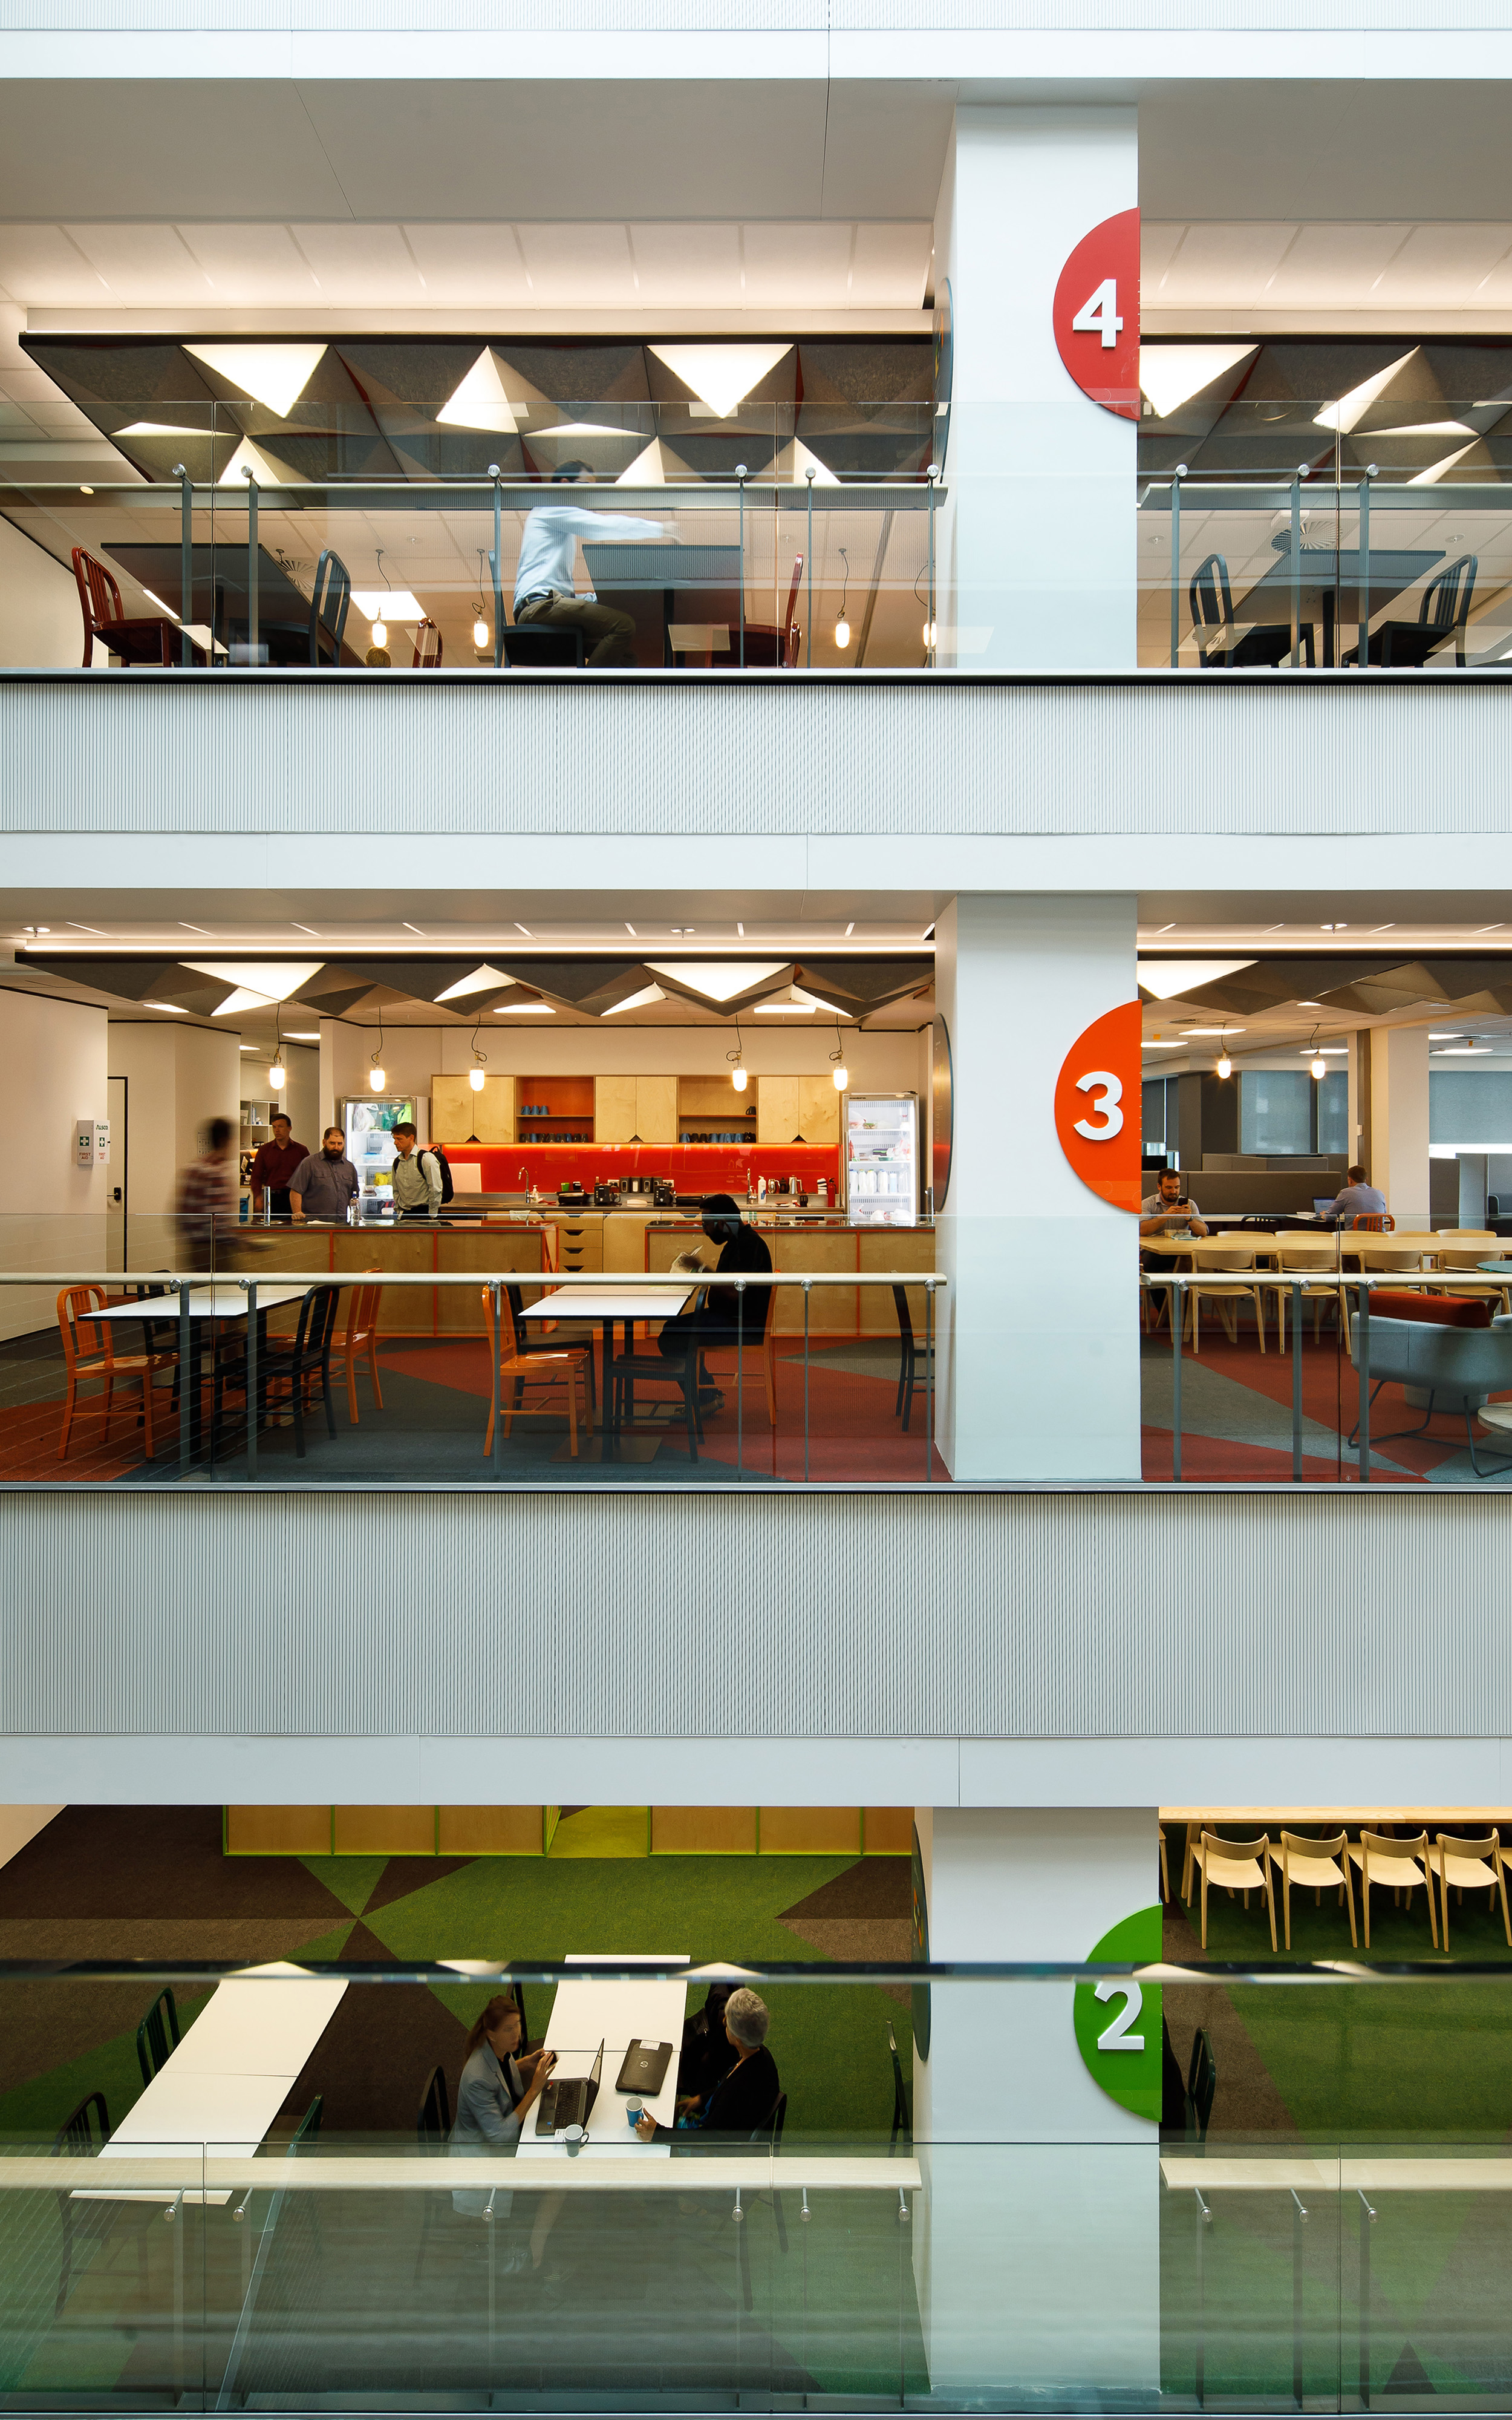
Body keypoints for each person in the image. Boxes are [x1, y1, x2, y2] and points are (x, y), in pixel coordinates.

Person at [512, 462, 669, 669]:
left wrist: (599, 598)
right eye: (586, 487)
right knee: (623, 625)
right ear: (565, 483)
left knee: (626, 659)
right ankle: (584, 688)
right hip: (538, 608)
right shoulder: (551, 507)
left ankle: (590, 687)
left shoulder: (559, 525)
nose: (589, 496)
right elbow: (600, 527)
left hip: (546, 606)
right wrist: (659, 529)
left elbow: (562, 596)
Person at [448, 1993, 559, 2257]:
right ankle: (534, 2250)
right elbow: (500, 2135)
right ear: (492, 2034)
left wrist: (527, 2062)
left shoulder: (498, 2051)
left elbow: (502, 2073)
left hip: (499, 2139)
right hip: (484, 2160)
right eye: (509, 2029)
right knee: (557, 2177)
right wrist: (535, 2089)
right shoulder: (477, 2077)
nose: (517, 2033)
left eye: (517, 2025)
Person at [656, 1193, 773, 1411]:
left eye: (706, 1224)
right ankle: (707, 1395)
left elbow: (734, 1292)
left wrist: (700, 1269)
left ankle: (705, 1398)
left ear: (721, 1222)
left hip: (741, 1325)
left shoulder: (748, 1245)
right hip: (733, 1317)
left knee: (672, 1337)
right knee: (672, 1329)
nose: (705, 1230)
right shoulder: (738, 1242)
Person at [636, 1987, 779, 2143]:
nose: (724, 2022)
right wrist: (701, 2099)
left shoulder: (737, 2091)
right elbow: (726, 2086)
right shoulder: (762, 2056)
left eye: (728, 2022)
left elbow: (706, 2138)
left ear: (738, 2039)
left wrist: (657, 2133)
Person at [175, 1114, 238, 1272]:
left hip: (195, 1246)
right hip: (213, 1249)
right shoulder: (217, 1172)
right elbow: (218, 1219)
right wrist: (238, 1241)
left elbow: (182, 1211)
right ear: (225, 1141)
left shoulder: (193, 1168)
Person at [676, 1981, 737, 2104]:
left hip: (718, 2108)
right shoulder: (756, 2055)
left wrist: (701, 2099)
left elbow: (730, 2090)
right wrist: (701, 2098)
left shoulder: (741, 2076)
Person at [289, 1127, 360, 1223]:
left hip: (341, 1223)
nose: (336, 1147)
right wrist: (297, 1213)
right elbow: (296, 1191)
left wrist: (356, 1217)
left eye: (340, 1144)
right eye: (332, 1143)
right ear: (324, 1142)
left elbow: (354, 1196)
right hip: (314, 1223)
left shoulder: (349, 1167)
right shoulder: (309, 1163)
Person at [247, 1111, 307, 1219]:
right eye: (274, 1127)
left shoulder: (301, 1150)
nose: (277, 1130)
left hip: (294, 1196)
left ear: (289, 1128)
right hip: (272, 1197)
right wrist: (258, 1197)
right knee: (271, 1225)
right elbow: (256, 1176)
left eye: (280, 1126)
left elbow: (307, 1176)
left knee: (296, 1226)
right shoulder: (265, 1150)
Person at [388, 1122, 443, 1220]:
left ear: (411, 1138)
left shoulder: (425, 1159)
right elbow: (396, 1190)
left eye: (399, 1139)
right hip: (405, 1214)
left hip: (425, 1212)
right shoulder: (397, 1162)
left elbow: (435, 1189)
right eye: (395, 1139)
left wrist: (433, 1215)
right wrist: (399, 1210)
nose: (395, 1143)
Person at [1139, 1168, 1208, 1240]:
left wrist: (1189, 1218)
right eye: (1169, 1188)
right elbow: (1142, 1231)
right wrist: (1165, 1216)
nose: (1173, 1191)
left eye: (1177, 1187)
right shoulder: (1147, 1204)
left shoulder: (1190, 1204)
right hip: (1154, 1245)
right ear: (1159, 1186)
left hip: (1181, 1245)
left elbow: (1204, 1233)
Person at [1325, 1164, 1389, 1228]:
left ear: (1350, 1180)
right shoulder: (1379, 1193)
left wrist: (1325, 1215)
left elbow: (1331, 1217)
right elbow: (1383, 1216)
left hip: (1356, 1234)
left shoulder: (1346, 1193)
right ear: (1366, 1179)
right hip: (1379, 1234)